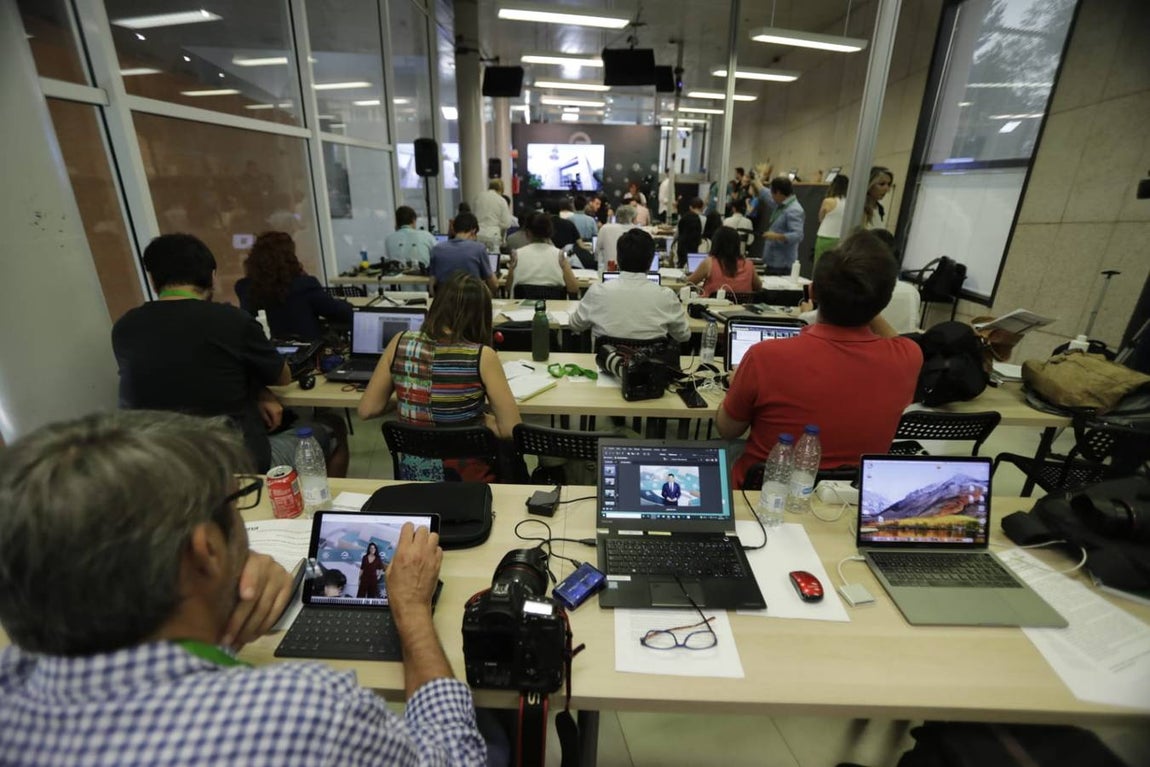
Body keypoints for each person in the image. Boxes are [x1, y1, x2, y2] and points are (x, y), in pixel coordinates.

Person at [0, 410, 486, 765]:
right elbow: (455, 759)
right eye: (237, 506)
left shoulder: (12, 682)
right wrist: (411, 607)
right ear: (205, 550)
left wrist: (214, 612)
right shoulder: (308, 713)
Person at [113, 233, 348, 476]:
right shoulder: (232, 322)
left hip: (159, 467)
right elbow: (283, 377)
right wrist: (260, 390)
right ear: (212, 276)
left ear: (152, 280)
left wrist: (258, 391)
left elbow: (185, 373)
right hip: (235, 465)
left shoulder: (124, 328)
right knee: (333, 428)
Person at [716, 231, 923, 488]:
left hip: (763, 493)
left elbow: (727, 429)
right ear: (884, 303)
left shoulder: (764, 357)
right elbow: (897, 338)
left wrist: (737, 385)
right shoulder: (908, 357)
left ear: (812, 291)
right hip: (849, 497)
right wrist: (868, 301)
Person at [358, 274, 521, 482]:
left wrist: (410, 401)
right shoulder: (482, 356)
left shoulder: (399, 342)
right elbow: (510, 429)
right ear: (481, 315)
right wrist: (482, 418)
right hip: (467, 481)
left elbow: (367, 409)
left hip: (414, 479)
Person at [570, 229, 690, 344]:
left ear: (618, 259)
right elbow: (684, 336)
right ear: (651, 261)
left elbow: (575, 325)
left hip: (607, 358)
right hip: (651, 358)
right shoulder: (667, 296)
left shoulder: (597, 292)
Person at [235, 231, 353, 340]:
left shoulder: (245, 287)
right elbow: (340, 313)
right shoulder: (304, 286)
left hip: (264, 351)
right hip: (306, 351)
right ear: (289, 257)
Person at [506, 214, 579, 297]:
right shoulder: (560, 255)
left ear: (528, 233)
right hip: (553, 304)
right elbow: (573, 288)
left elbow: (508, 287)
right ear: (550, 232)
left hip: (522, 304)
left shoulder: (516, 255)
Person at [428, 211, 498, 297]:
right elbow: (494, 285)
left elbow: (432, 286)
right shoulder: (479, 249)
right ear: (473, 231)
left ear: (454, 230)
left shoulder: (436, 249)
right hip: (472, 301)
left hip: (445, 301)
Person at [687, 226, 762, 298]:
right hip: (742, 306)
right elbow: (758, 287)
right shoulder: (748, 264)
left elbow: (689, 283)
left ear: (716, 243)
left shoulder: (709, 263)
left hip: (712, 305)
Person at [760, 176, 806, 276]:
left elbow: (798, 235)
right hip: (772, 260)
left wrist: (777, 236)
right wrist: (755, 181)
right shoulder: (781, 204)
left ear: (778, 193)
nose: (771, 196)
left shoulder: (794, 209)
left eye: (772, 193)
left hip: (782, 264)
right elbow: (766, 195)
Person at [814, 174, 849, 267]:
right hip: (842, 238)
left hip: (825, 236)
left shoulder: (828, 201)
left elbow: (820, 218)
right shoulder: (850, 202)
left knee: (820, 264)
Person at [594, 203, 638, 270]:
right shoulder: (639, 231)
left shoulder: (605, 228)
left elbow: (597, 253)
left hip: (608, 270)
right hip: (633, 272)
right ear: (632, 219)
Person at [474, 179, 512, 252]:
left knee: (479, 256)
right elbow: (506, 224)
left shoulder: (478, 197)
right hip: (493, 234)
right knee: (493, 258)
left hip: (478, 233)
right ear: (501, 189)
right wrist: (496, 223)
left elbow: (474, 215)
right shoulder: (501, 200)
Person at [674, 198, 706, 267]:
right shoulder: (705, 220)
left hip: (683, 248)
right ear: (702, 207)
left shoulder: (684, 218)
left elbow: (677, 234)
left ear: (690, 207)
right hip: (697, 249)